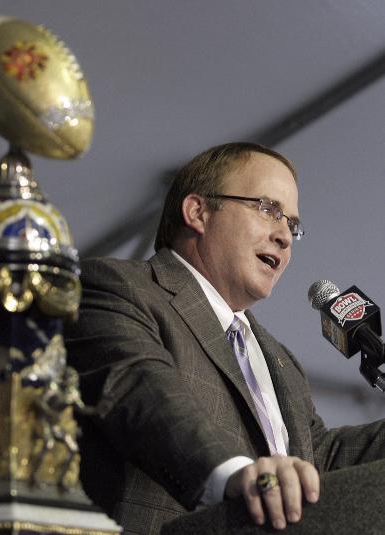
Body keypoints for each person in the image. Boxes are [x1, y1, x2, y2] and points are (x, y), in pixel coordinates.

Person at [65, 142, 385, 535]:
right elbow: (144, 395)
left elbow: (317, 463)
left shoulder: (279, 361)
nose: (285, 235)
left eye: (292, 224)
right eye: (269, 209)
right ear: (197, 211)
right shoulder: (118, 288)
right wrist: (238, 476)